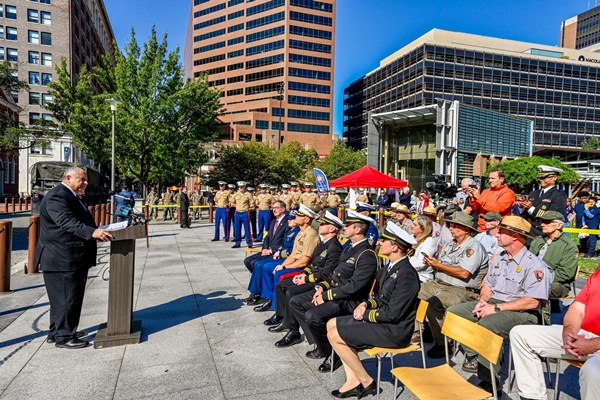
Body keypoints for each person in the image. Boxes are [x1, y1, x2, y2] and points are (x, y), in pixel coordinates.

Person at [448, 215, 552, 396]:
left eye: (502, 232)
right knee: (454, 313)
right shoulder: (500, 257)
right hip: (495, 304)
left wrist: (495, 309)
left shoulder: (534, 265)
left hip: (523, 312)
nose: (496, 234)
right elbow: (487, 284)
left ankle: (489, 380)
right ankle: (475, 355)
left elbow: (532, 301)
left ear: (515, 236)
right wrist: (483, 301)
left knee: (489, 324)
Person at [326, 221, 420, 399]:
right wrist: (365, 305)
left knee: (335, 335)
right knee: (331, 324)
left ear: (394, 247)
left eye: (384, 240)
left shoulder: (406, 274)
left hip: (394, 330)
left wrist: (366, 315)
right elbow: (381, 297)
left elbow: (394, 314)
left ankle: (366, 381)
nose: (379, 242)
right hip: (384, 321)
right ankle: (353, 380)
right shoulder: (390, 268)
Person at [277, 210, 378, 373]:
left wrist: (326, 295)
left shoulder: (366, 254)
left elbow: (354, 287)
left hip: (350, 300)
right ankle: (323, 344)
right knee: (295, 302)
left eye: (348, 225)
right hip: (337, 292)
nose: (344, 227)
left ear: (358, 230)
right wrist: (321, 288)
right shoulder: (349, 248)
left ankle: (334, 352)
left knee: (313, 315)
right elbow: (334, 275)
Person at [34, 166, 113, 349]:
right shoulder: (58, 196)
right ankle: (64, 337)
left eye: (85, 180)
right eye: (82, 179)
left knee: (62, 298)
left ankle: (57, 332)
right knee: (66, 298)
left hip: (68, 256)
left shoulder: (68, 194)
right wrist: (93, 232)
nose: (85, 183)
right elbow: (66, 221)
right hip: (62, 258)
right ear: (68, 178)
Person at [510, 268, 600, 400]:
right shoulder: (598, 273)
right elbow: (577, 308)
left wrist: (593, 344)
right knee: (520, 334)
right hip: (583, 335)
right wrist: (568, 333)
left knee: (593, 371)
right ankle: (534, 397)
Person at [418, 211, 488, 358]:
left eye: (456, 226)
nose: (451, 228)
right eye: (451, 225)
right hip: (439, 282)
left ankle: (443, 344)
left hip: (460, 289)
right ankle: (424, 330)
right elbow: (442, 264)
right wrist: (433, 263)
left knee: (434, 304)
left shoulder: (473, 246)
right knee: (411, 291)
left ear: (466, 230)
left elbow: (464, 273)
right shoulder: (451, 243)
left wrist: (438, 265)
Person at [264, 210, 344, 328]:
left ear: (332, 229)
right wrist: (303, 274)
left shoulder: (334, 247)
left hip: (319, 281)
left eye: (323, 224)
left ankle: (292, 328)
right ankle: (281, 316)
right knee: (281, 285)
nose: (319, 226)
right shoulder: (324, 243)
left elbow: (326, 273)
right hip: (311, 276)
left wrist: (306, 279)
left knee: (291, 292)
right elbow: (313, 263)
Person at [252, 204, 319, 312]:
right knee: (268, 268)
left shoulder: (310, 234)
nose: (296, 217)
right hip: (295, 263)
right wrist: (282, 265)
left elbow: (304, 261)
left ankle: (278, 309)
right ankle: (269, 299)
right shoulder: (301, 233)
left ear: (306, 219)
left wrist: (284, 268)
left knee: (278, 274)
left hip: (303, 268)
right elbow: (293, 255)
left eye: (299, 215)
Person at [245, 212, 300, 306]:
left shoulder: (297, 231)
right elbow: (275, 241)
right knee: (251, 262)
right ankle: (258, 292)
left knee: (262, 265)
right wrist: (271, 250)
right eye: (289, 219)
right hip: (278, 253)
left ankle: (265, 297)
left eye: (292, 219)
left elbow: (292, 251)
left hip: (285, 258)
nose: (289, 220)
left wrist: (278, 253)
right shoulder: (290, 229)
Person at [243, 200, 289, 297]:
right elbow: (267, 237)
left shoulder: (287, 222)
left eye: (276, 208)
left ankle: (256, 293)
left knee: (258, 264)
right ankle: (259, 283)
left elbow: (285, 241)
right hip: (268, 251)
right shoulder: (273, 221)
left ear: (283, 209)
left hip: (277, 253)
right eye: (273, 208)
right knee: (248, 261)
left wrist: (271, 250)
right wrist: (264, 248)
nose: (274, 210)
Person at [529, 211, 578, 301]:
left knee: (534, 289)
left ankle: (542, 313)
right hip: (533, 278)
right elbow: (527, 261)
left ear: (559, 225)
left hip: (557, 284)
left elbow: (565, 274)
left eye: (547, 222)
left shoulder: (569, 246)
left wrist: (541, 277)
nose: (542, 224)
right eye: (541, 221)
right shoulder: (538, 240)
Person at [518, 165, 568, 236]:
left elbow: (553, 216)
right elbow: (525, 214)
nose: (541, 180)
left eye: (544, 177)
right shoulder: (533, 193)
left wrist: (531, 208)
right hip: (527, 231)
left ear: (555, 178)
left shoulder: (559, 196)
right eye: (540, 177)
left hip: (543, 233)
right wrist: (522, 206)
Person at [467, 168, 515, 232]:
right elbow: (477, 210)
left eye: (493, 178)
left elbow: (498, 209)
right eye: (489, 178)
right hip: (481, 228)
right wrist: (472, 198)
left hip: (497, 230)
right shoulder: (485, 191)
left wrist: (479, 198)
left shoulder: (508, 192)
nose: (490, 180)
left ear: (501, 179)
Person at [408, 215, 437, 283]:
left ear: (423, 228)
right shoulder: (411, 237)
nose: (412, 226)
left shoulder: (429, 241)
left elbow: (421, 263)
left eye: (415, 225)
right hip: (407, 273)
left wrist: (403, 266)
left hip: (421, 277)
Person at [232, 181, 254, 249]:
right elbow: (232, 203)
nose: (240, 188)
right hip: (238, 212)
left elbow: (252, 204)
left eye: (242, 187)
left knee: (247, 228)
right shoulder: (236, 194)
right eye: (239, 187)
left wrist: (250, 208)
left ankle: (249, 243)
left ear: (245, 187)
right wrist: (237, 206)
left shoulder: (248, 194)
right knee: (237, 228)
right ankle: (237, 242)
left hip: (245, 212)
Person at [574, 190, 590, 255]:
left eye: (586, 198)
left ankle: (588, 249)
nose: (585, 199)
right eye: (583, 198)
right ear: (579, 198)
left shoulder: (589, 205)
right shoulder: (577, 205)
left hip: (587, 223)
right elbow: (575, 214)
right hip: (579, 223)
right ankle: (582, 247)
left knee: (588, 237)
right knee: (581, 237)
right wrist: (574, 223)